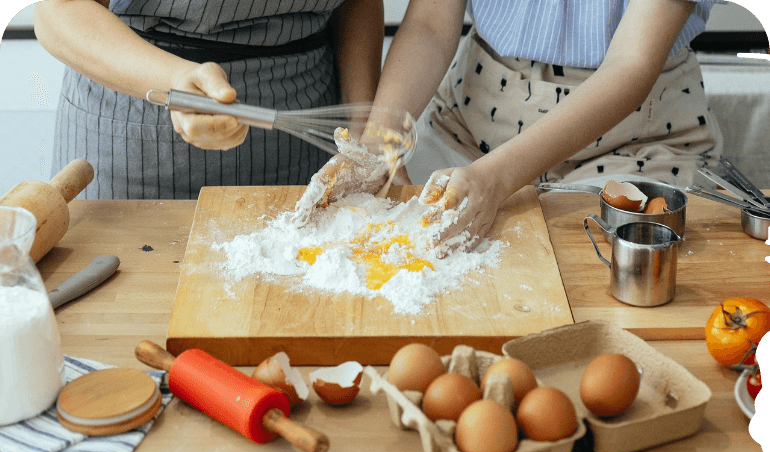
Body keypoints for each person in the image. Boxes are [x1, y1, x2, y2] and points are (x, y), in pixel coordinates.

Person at [299, 0, 725, 255]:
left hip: (633, 139)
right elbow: (430, 22)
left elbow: (631, 63)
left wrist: (496, 179)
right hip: (467, 131)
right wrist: (381, 142)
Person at [33, 0, 384, 199]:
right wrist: (173, 80)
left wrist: (361, 127)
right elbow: (56, 12)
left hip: (308, 148)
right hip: (134, 140)